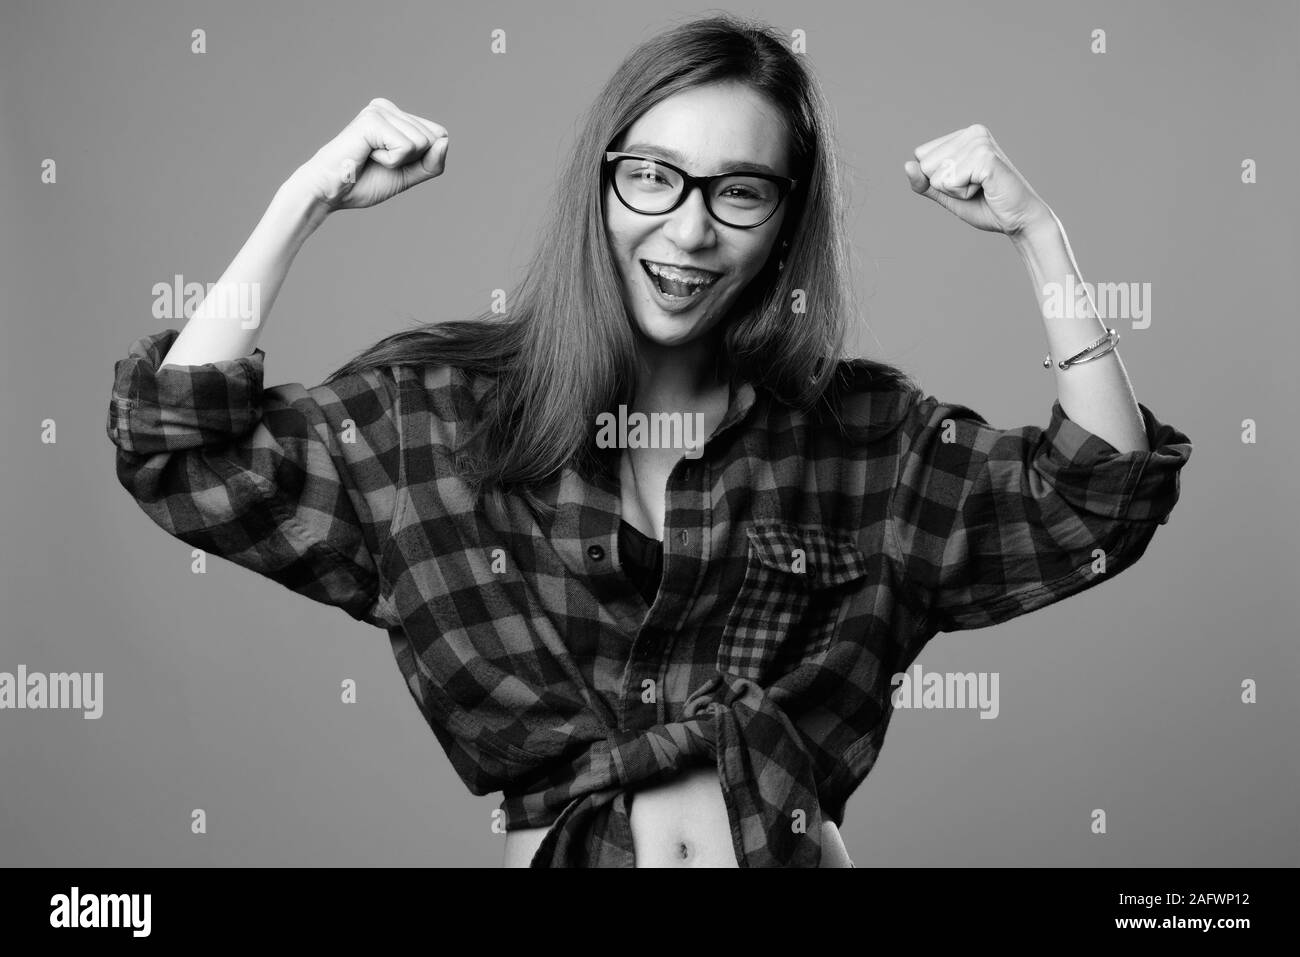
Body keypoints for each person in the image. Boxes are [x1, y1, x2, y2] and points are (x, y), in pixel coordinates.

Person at [106, 14, 1192, 867]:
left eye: (740, 193)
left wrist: (1040, 238)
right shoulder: (433, 414)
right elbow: (184, 451)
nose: (688, 228)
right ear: (604, 182)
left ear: (783, 225)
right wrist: (303, 202)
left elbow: (1091, 506)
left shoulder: (860, 435)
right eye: (654, 177)